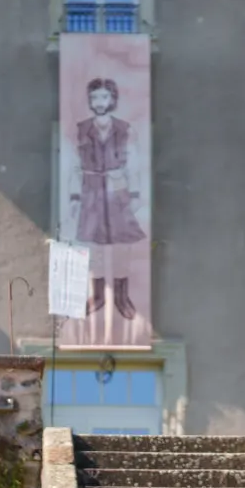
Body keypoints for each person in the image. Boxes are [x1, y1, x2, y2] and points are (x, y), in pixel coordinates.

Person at [67, 76, 145, 321]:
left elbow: (134, 165)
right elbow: (74, 167)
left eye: (104, 97)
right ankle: (98, 296)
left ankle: (122, 298)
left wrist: (135, 194)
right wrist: (74, 197)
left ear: (113, 99)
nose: (99, 102)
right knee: (94, 247)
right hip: (91, 194)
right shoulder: (81, 130)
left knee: (122, 246)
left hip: (117, 192)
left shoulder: (125, 130)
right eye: (94, 97)